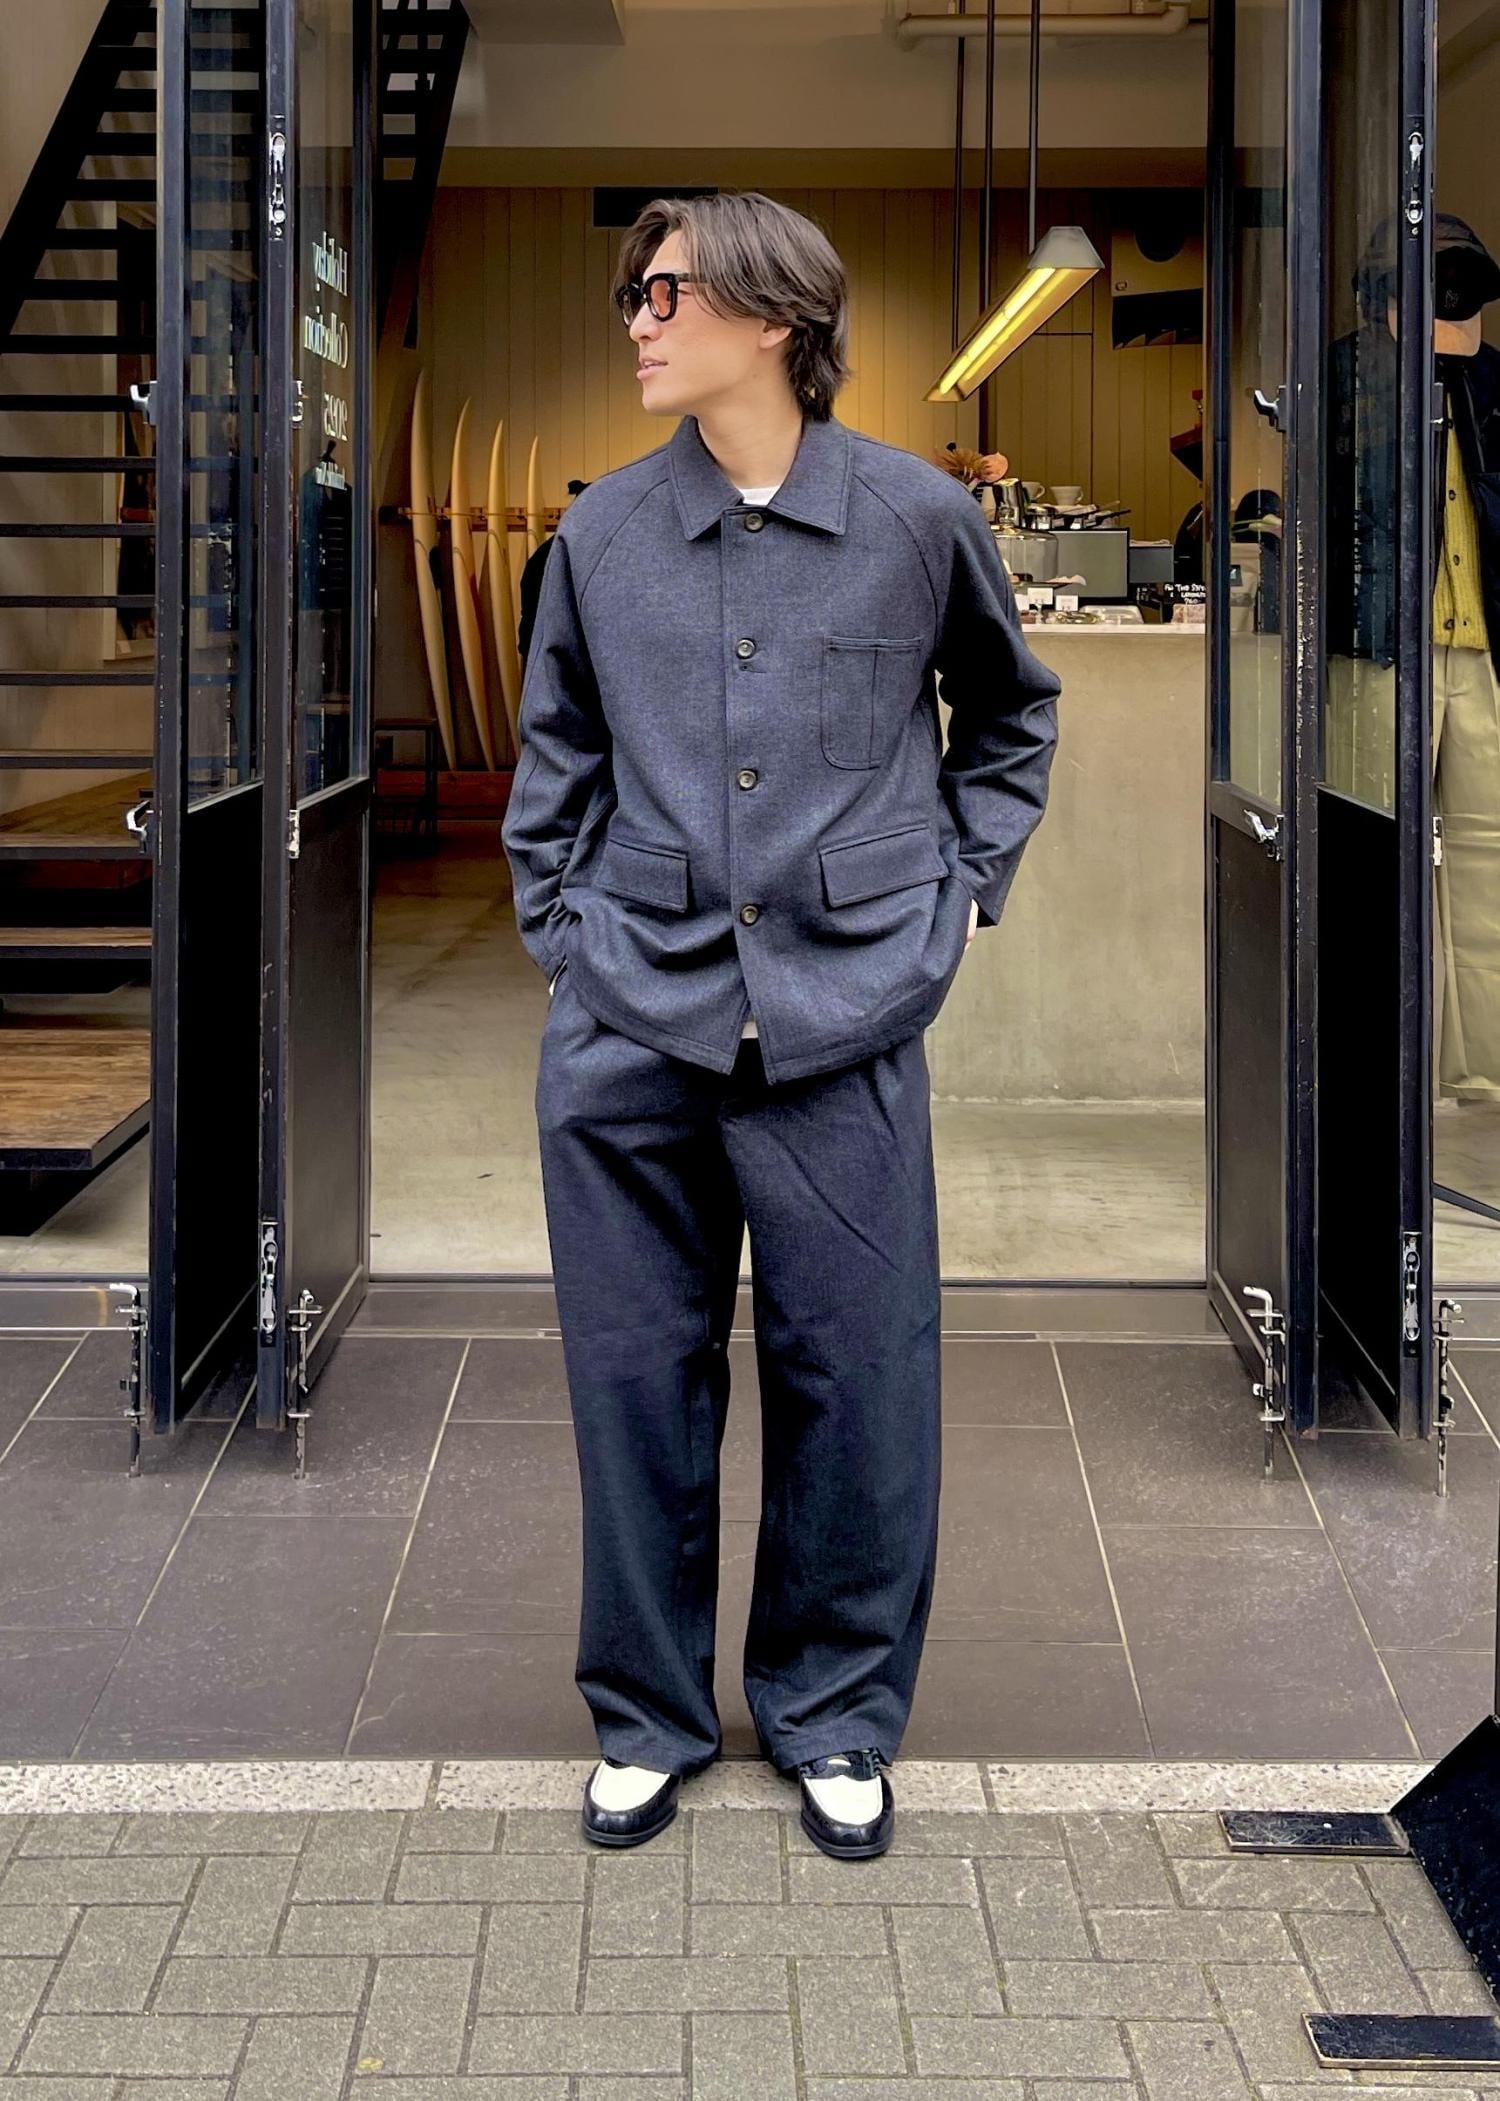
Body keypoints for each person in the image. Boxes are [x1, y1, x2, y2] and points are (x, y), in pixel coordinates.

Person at [500, 190, 1060, 1858]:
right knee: (634, 1379)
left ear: (772, 315)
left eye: (665, 291)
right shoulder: (604, 534)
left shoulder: (913, 516)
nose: (637, 319)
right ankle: (645, 1714)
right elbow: (556, 756)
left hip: (846, 1014)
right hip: (632, 1018)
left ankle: (833, 1708)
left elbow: (1008, 716)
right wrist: (562, 934)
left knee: (859, 1377)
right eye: (633, 291)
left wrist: (961, 892)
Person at [1326, 211, 1500, 1096]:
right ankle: (1383, 1069)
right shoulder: (1349, 376)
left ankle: (1481, 1070)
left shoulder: (1493, 380)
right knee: (1376, 857)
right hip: (1385, 651)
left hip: (1483, 652)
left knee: (1487, 859)